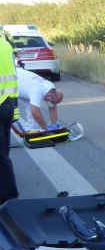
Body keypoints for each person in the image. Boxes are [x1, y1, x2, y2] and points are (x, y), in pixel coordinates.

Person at [15, 66, 63, 133]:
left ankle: (30, 129)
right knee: (7, 111)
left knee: (30, 106)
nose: (50, 102)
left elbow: (52, 108)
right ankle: (30, 129)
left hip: (19, 79)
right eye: (51, 101)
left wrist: (54, 125)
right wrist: (45, 129)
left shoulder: (50, 87)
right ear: (49, 96)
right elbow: (35, 113)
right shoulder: (37, 91)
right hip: (8, 80)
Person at [1, 32, 19, 202]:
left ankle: (8, 198)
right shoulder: (5, 45)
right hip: (7, 105)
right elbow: (13, 79)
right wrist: (15, 109)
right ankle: (9, 196)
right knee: (3, 155)